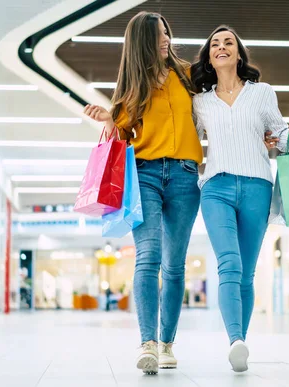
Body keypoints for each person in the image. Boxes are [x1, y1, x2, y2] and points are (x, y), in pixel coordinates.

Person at [191, 25, 289, 372]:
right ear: (209, 56)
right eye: (215, 44)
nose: (221, 47)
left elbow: (283, 138)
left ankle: (240, 340)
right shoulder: (200, 101)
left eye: (228, 43)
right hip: (216, 188)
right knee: (230, 263)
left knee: (246, 274)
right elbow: (191, 145)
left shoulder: (262, 93)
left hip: (257, 186)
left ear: (238, 54)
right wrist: (195, 176)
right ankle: (236, 341)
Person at [83, 12, 202, 375]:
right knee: (147, 256)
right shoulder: (133, 84)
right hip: (146, 174)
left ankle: (167, 343)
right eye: (158, 36)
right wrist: (109, 120)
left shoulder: (188, 74)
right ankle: (147, 342)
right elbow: (122, 139)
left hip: (184, 175)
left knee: (175, 264)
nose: (166, 40)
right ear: (142, 42)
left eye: (167, 32)